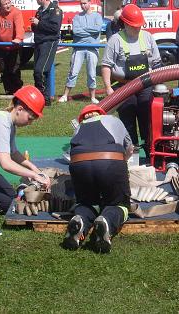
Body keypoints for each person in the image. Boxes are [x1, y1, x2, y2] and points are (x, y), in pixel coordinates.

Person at [63, 104, 133, 252]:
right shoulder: (114, 120)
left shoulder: (79, 128)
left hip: (79, 163)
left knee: (87, 203)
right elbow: (129, 149)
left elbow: (71, 154)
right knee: (120, 204)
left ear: (83, 117)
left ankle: (81, 219)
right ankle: (107, 220)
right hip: (110, 161)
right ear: (101, 113)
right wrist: (120, 165)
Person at [101, 4, 161, 153]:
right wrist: (108, 88)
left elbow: (157, 63)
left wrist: (158, 85)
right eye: (135, 26)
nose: (138, 28)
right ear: (126, 24)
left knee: (148, 118)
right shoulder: (115, 40)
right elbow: (106, 65)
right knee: (128, 119)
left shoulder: (147, 37)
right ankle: (131, 152)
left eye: (140, 25)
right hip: (124, 87)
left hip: (145, 85)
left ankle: (150, 150)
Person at [0, 86, 50, 214]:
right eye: (30, 118)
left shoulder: (9, 122)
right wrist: (33, 175)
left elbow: (14, 154)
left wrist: (37, 171)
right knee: (5, 205)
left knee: (12, 197)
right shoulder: (1, 121)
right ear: (19, 109)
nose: (30, 123)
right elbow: (6, 163)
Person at [58, 0, 103, 104]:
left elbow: (97, 29)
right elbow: (76, 32)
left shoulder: (97, 16)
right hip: (78, 49)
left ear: (89, 3)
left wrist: (85, 30)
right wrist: (90, 32)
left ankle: (92, 97)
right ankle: (65, 95)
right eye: (81, 3)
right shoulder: (76, 17)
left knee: (92, 74)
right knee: (73, 72)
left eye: (84, 3)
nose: (83, 5)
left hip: (92, 49)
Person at [31, 0, 63, 106]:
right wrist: (34, 25)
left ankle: (43, 98)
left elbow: (54, 28)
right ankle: (41, 99)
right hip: (39, 42)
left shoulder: (55, 10)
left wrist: (39, 23)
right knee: (38, 71)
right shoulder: (40, 10)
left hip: (48, 43)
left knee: (40, 70)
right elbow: (39, 27)